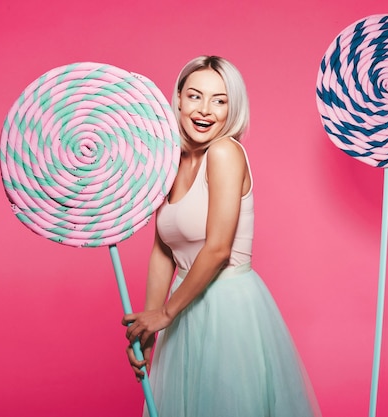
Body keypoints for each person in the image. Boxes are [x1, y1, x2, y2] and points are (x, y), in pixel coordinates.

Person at [122, 55, 321, 417]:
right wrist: (148, 325)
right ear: (178, 99)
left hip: (226, 307)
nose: (206, 110)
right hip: (183, 308)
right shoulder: (171, 161)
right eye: (196, 96)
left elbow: (217, 249)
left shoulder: (225, 152)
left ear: (232, 108)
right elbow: (163, 251)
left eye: (220, 100)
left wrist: (164, 313)